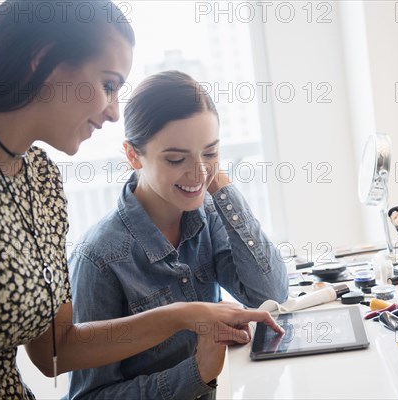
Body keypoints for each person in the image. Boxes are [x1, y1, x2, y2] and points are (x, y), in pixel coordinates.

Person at [0, 2, 283, 398]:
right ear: (42, 60)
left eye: (211, 152)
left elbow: (53, 353)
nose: (114, 112)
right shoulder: (100, 254)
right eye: (108, 84)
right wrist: (191, 357)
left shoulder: (40, 178)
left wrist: (186, 316)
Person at [66, 70, 289, 399]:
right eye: (175, 158)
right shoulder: (99, 259)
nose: (198, 172)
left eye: (210, 152)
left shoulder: (208, 214)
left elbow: (269, 293)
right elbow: (89, 396)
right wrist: (196, 373)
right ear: (132, 156)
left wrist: (220, 186)